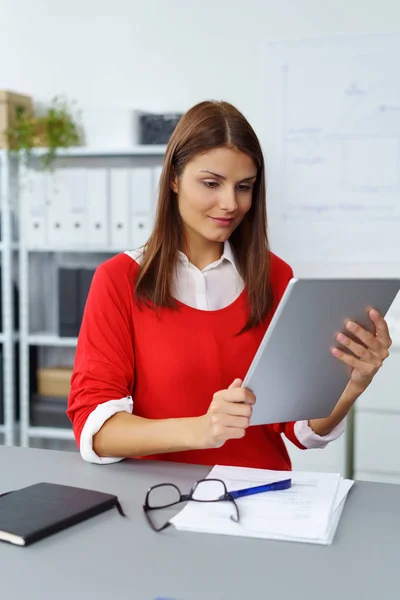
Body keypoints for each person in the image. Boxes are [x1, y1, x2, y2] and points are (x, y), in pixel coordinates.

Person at [67, 100, 392, 468]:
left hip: (263, 495)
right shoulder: (120, 279)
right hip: (161, 501)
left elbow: (298, 428)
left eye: (244, 187)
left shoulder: (275, 276)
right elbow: (97, 431)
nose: (229, 204)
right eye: (211, 183)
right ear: (174, 179)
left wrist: (352, 385)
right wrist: (202, 429)